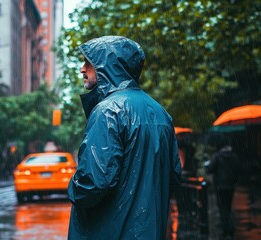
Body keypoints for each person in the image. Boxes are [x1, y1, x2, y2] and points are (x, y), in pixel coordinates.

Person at [67, 36, 182, 239]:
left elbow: (93, 184)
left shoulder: (107, 112)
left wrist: (73, 187)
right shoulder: (161, 113)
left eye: (88, 63)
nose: (82, 69)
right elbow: (173, 175)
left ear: (107, 66)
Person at [206, 136, 240, 239]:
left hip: (220, 186)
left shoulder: (217, 156)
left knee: (222, 207)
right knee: (228, 207)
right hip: (230, 186)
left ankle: (226, 229)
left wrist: (208, 165)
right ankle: (230, 227)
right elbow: (237, 171)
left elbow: (210, 169)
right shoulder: (234, 157)